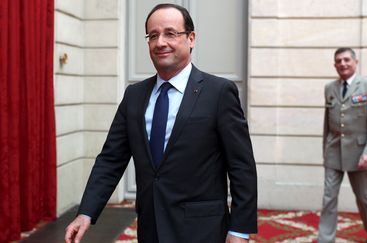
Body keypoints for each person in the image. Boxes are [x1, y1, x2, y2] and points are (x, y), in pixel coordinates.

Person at [64, 3, 257, 243]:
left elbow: (241, 167)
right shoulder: (134, 96)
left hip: (203, 230)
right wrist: (86, 212)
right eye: (153, 35)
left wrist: (239, 230)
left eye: (170, 33)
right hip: (151, 227)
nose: (160, 42)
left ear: (191, 38)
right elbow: (111, 159)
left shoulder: (219, 92)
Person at [318, 48, 367, 243]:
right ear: (334, 65)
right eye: (339, 61)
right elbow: (327, 122)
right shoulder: (330, 88)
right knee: (328, 199)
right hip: (334, 152)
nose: (343, 64)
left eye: (347, 59)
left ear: (356, 62)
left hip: (359, 153)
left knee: (364, 197)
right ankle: (325, 239)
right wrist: (325, 149)